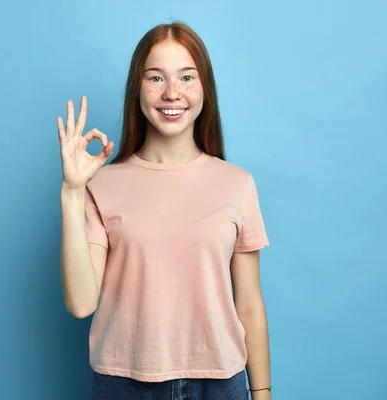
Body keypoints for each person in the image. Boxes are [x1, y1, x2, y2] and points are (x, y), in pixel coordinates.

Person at [57, 21, 272, 400]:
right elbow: (80, 302)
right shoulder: (101, 185)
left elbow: (250, 303)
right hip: (122, 383)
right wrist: (72, 191)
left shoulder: (237, 184)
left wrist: (263, 392)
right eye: (155, 79)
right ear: (136, 89)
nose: (172, 93)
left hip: (220, 384)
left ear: (205, 87)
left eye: (186, 77)